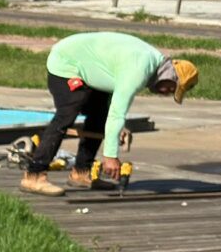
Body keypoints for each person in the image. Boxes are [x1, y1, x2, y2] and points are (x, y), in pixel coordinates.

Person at [11, 31, 198, 196]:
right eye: (171, 88)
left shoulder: (153, 63)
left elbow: (113, 112)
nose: (166, 93)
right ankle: (34, 175)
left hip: (86, 65)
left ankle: (81, 172)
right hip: (65, 61)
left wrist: (118, 130)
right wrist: (110, 156)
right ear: (169, 76)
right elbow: (117, 112)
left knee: (100, 114)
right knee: (67, 113)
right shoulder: (140, 69)